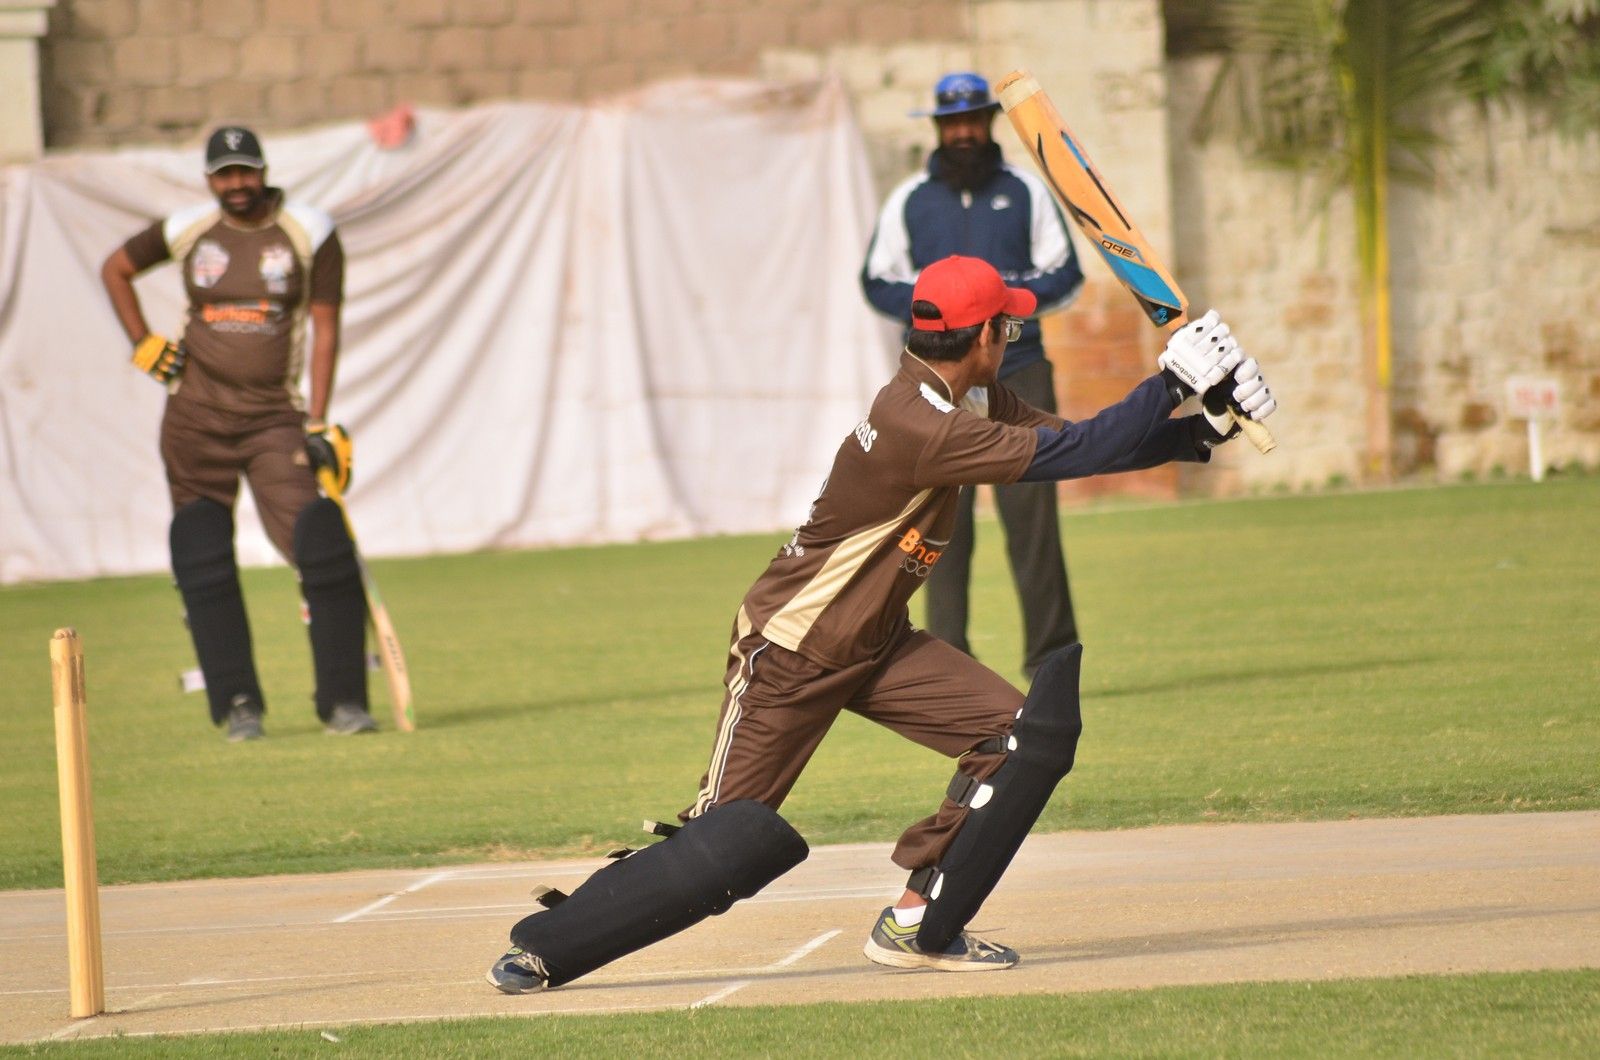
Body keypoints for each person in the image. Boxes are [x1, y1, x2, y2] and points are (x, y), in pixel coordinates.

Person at [484, 255, 1277, 992]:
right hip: (791, 649)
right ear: (982, 337)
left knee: (1018, 734)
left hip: (876, 640)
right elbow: (1072, 449)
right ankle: (545, 948)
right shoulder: (919, 424)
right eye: (1008, 324)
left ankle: (918, 923)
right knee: (723, 843)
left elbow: (1078, 447)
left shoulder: (966, 399)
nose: (1014, 333)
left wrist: (1199, 426)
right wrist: (1168, 381)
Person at [100, 125, 377, 741]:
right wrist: (143, 343)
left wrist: (318, 420)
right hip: (195, 419)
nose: (237, 184)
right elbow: (115, 268)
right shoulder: (189, 228)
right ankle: (238, 705)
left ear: (264, 170)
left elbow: (326, 327)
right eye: (225, 174)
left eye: (246, 171)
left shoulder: (309, 231)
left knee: (321, 542)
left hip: (274, 417)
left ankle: (343, 703)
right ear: (209, 179)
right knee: (202, 554)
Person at [862, 71, 1085, 680]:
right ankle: (949, 657)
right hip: (938, 384)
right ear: (938, 128)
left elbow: (1065, 274)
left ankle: (1051, 659)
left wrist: (997, 299)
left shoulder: (1025, 191)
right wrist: (942, 310)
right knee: (939, 523)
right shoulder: (910, 198)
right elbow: (877, 281)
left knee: (1032, 521)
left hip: (1019, 369)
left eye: (972, 121)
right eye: (952, 123)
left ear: (987, 123)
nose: (963, 133)